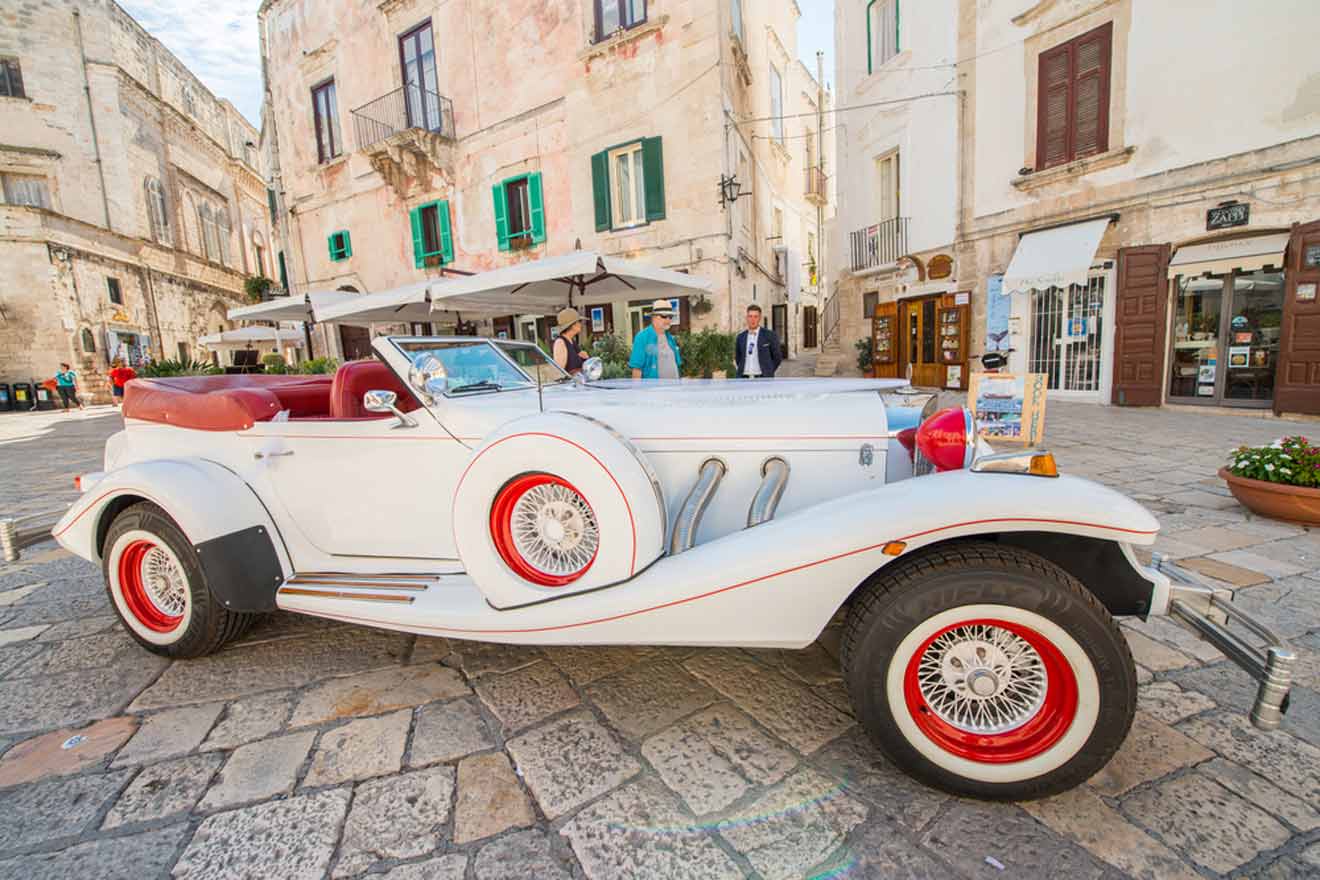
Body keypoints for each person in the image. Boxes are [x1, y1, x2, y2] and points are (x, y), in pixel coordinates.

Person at [629, 299, 682, 379]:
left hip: (674, 388)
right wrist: (637, 390)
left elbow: (676, 364)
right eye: (664, 316)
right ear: (654, 317)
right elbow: (636, 369)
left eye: (670, 316)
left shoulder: (670, 337)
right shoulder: (642, 337)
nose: (668, 320)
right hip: (653, 390)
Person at [735, 304, 783, 378]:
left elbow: (777, 357)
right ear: (747, 318)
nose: (752, 319)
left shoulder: (770, 335)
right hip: (743, 378)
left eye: (755, 316)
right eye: (750, 316)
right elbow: (738, 358)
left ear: (760, 318)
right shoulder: (740, 337)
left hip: (763, 378)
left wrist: (768, 371)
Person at [551, 307, 585, 374]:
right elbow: (559, 372)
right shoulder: (560, 343)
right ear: (572, 325)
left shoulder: (572, 341)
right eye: (579, 321)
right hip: (570, 384)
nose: (581, 324)